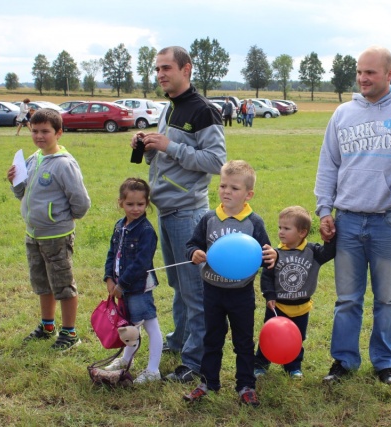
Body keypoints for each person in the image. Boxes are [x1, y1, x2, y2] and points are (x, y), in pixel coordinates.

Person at [314, 45, 391, 385]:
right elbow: (328, 164)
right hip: (348, 220)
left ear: (389, 74)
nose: (363, 78)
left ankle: (385, 363)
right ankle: (343, 361)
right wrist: (324, 210)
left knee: (387, 299)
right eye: (359, 71)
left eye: (370, 72)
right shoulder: (342, 114)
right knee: (347, 300)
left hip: (389, 220)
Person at [132, 45, 226, 383]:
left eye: (166, 68)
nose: (160, 74)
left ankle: (195, 362)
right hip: (166, 210)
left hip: (188, 213)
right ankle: (180, 339)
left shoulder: (203, 111)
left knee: (194, 291)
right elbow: (164, 157)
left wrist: (169, 146)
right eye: (157, 69)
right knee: (177, 285)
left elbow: (216, 161)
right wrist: (147, 147)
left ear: (186, 69)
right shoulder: (168, 107)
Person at [183, 160, 276, 407]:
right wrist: (194, 253)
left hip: (241, 293)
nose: (226, 191)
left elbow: (265, 255)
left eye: (234, 188)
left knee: (243, 341)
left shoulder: (254, 222)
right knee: (212, 338)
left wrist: (273, 255)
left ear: (248, 194)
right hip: (212, 291)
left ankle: (246, 385)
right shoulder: (209, 218)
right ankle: (208, 382)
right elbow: (192, 244)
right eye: (223, 185)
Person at [7, 108, 91, 350]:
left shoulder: (64, 164)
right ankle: (47, 326)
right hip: (33, 233)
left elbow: (81, 202)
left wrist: (61, 219)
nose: (39, 136)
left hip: (56, 236)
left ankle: (70, 332)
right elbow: (22, 192)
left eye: (45, 131)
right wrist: (14, 181)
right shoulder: (34, 158)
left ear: (59, 133)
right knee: (42, 282)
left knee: (63, 285)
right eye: (35, 131)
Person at [254, 206, 336, 379]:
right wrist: (269, 295)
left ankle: (293, 367)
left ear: (302, 232)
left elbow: (329, 253)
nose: (281, 232)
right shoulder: (275, 253)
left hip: (301, 307)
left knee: (297, 338)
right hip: (278, 306)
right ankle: (261, 364)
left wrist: (329, 238)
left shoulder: (312, 252)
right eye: (280, 227)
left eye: (286, 228)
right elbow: (267, 277)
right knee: (269, 336)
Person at [102, 178, 164, 384]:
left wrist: (122, 284)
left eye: (140, 204)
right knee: (130, 326)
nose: (135, 209)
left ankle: (153, 370)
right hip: (121, 286)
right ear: (120, 202)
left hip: (137, 288)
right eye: (130, 204)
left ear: (147, 203)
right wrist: (109, 278)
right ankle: (126, 359)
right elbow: (112, 253)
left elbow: (141, 263)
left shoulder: (146, 231)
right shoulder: (120, 226)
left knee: (150, 325)